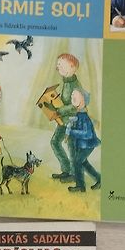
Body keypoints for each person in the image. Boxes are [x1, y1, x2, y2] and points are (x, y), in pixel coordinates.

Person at [48, 54, 83, 183]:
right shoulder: (66, 82)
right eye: (58, 65)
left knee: (71, 147)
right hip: (63, 120)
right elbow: (65, 100)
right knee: (55, 142)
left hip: (73, 122)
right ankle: (66, 170)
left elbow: (75, 106)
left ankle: (74, 174)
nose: (58, 68)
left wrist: (59, 110)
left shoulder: (75, 85)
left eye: (61, 65)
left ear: (72, 67)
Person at [65, 88, 101, 193]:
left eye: (75, 96)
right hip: (81, 144)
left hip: (87, 145)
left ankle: (80, 186)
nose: (72, 97)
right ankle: (99, 179)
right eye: (72, 95)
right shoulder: (79, 114)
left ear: (83, 100)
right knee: (83, 163)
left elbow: (87, 134)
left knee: (77, 162)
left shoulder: (84, 117)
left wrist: (71, 132)